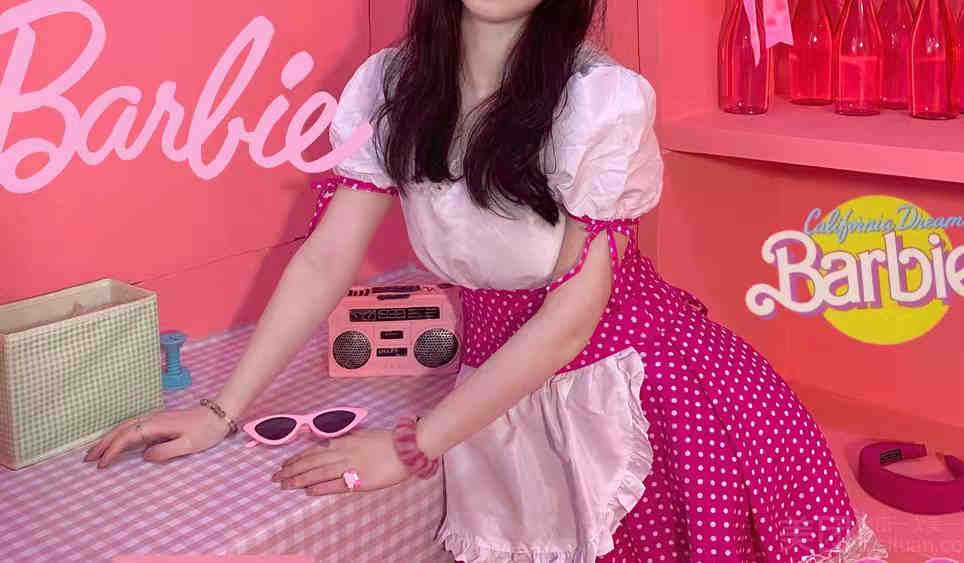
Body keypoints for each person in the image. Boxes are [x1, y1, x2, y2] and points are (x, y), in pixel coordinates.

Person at [85, 0, 889, 561]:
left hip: (641, 394)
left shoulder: (596, 100)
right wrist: (221, 411)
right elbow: (327, 258)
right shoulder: (393, 85)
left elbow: (571, 321)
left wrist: (412, 444)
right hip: (500, 386)